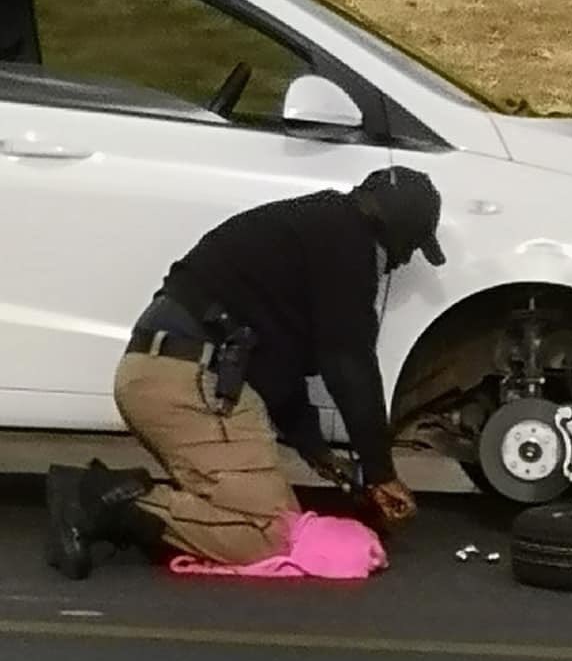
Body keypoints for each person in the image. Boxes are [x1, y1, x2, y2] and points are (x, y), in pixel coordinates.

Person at [45, 166, 446, 579]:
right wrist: (381, 472)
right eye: (410, 248)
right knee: (265, 534)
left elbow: (276, 374)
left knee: (277, 516)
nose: (398, 264)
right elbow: (348, 364)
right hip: (190, 381)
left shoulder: (311, 229)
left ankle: (139, 503)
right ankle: (100, 500)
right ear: (395, 230)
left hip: (169, 373)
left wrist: (324, 459)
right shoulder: (349, 244)